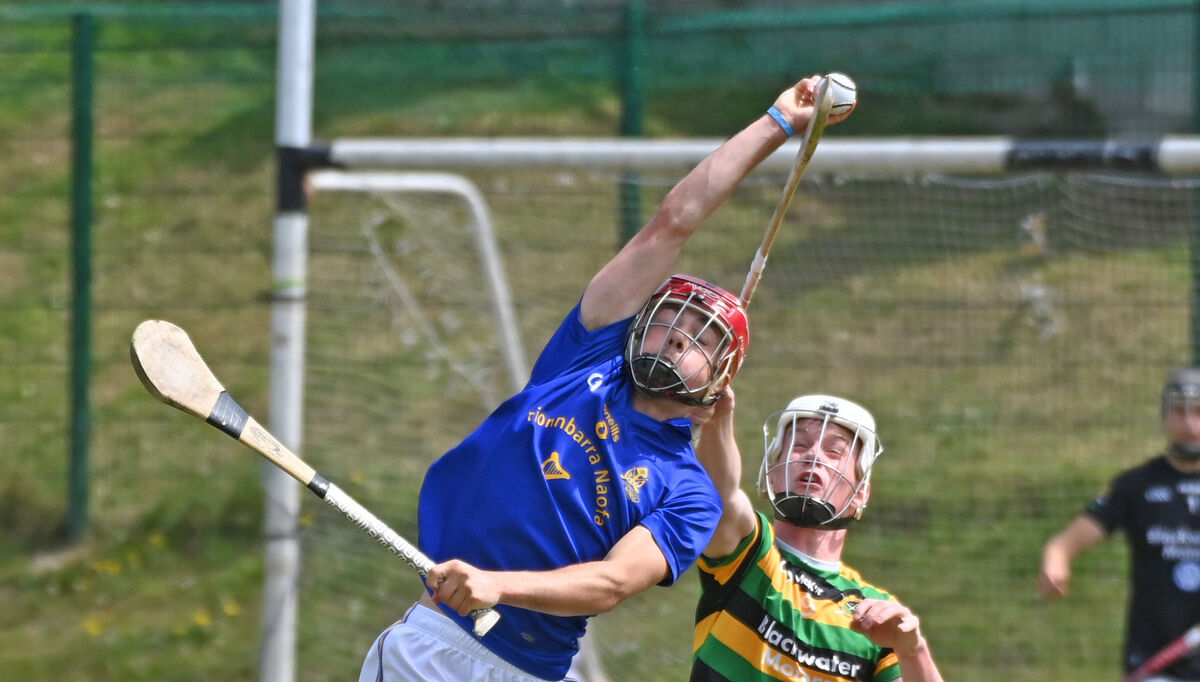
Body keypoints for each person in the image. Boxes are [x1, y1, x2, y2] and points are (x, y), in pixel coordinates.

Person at [356, 74, 855, 682]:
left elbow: (613, 583)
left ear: (720, 380)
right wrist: (776, 123)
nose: (678, 336)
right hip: (436, 650)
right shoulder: (588, 356)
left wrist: (497, 586)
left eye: (701, 339)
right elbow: (673, 222)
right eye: (668, 320)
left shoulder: (689, 492)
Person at [692, 388, 944, 682]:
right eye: (799, 445)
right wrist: (720, 417)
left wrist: (912, 652)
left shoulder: (874, 613)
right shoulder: (749, 552)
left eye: (834, 452)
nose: (813, 455)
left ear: (861, 494)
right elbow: (720, 495)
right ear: (771, 473)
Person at [1040, 367, 1200, 680]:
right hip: (1156, 665)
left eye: (1198, 412)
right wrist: (1056, 560)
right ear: (1164, 417)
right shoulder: (1137, 485)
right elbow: (1064, 543)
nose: (1190, 424)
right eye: (1179, 412)